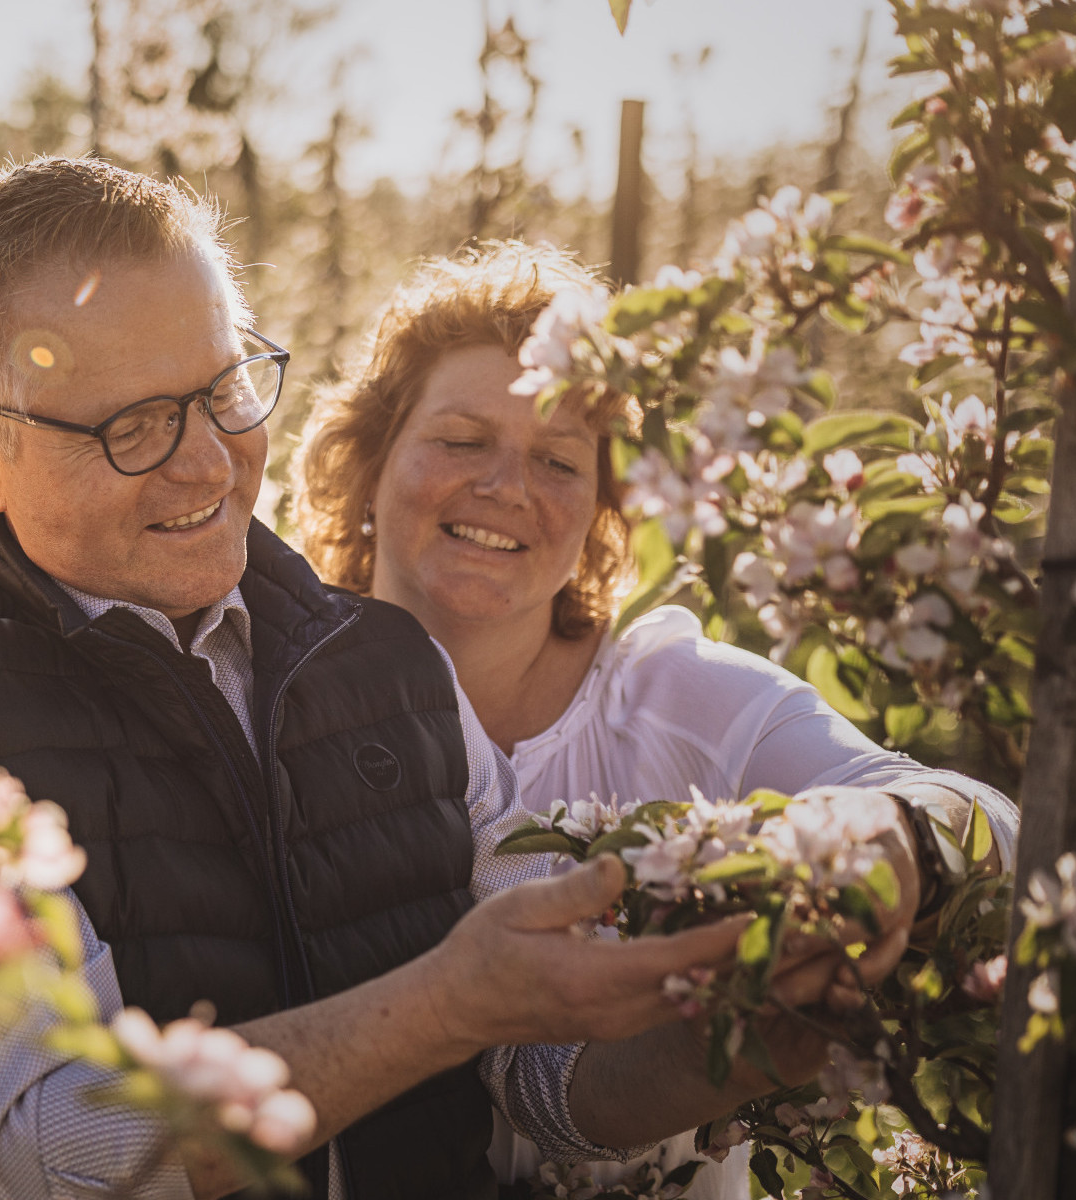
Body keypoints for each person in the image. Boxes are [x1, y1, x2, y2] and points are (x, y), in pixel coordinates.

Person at [0, 157, 920, 1200]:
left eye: (223, 392)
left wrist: (732, 1047)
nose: (207, 463)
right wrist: (440, 1004)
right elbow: (47, 1154)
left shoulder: (387, 662)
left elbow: (535, 1076)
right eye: (134, 425)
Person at [291, 240, 1019, 1197]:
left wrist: (896, 835)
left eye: (558, 460)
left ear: (605, 509)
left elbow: (991, 821)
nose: (506, 487)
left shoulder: (677, 698)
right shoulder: (273, 703)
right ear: (369, 460)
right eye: (462, 440)